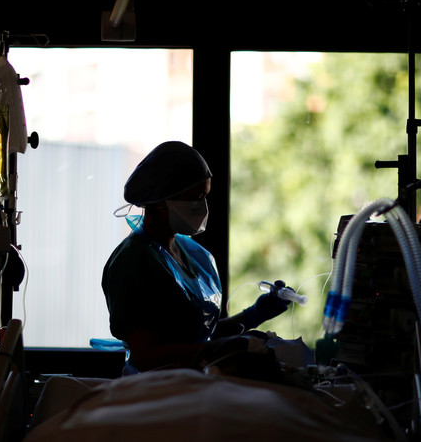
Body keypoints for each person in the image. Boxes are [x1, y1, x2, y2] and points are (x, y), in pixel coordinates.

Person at [101, 141, 291, 374]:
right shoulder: (133, 261)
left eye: (205, 196)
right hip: (155, 393)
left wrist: (253, 315)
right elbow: (147, 355)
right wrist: (220, 349)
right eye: (196, 196)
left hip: (193, 384)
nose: (203, 206)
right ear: (160, 199)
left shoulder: (191, 254)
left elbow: (198, 334)